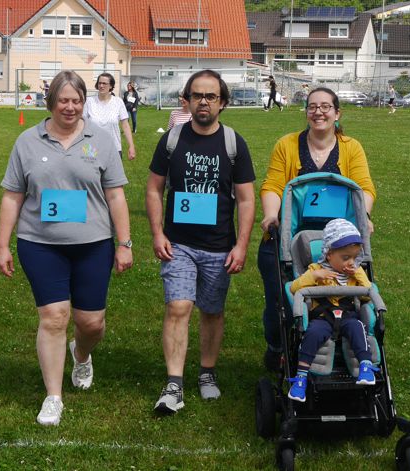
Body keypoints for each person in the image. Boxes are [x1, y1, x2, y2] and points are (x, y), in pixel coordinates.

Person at [0, 70, 134, 426]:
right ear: (50, 102)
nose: (70, 107)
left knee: (91, 323)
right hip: (40, 244)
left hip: (93, 244)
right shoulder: (27, 141)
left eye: (76, 100)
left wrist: (124, 243)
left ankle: (82, 355)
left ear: (83, 102)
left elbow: (116, 195)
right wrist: (3, 245)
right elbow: (12, 196)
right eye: (63, 100)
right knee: (54, 317)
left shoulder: (100, 140)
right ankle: (53, 397)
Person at [146, 70, 256, 415]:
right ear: (187, 100)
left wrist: (241, 245)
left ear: (222, 103)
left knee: (211, 311)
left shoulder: (234, 143)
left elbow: (246, 199)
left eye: (211, 96)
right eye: (197, 95)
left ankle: (207, 372)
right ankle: (174, 383)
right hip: (178, 244)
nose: (203, 102)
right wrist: (157, 233)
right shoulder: (172, 140)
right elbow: (154, 189)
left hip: (218, 246)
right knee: (178, 307)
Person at [257, 87, 377, 372]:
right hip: (289, 239)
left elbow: (363, 188)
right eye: (312, 107)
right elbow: (273, 185)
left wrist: (364, 217)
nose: (318, 112)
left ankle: (341, 350)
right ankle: (278, 348)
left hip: (339, 244)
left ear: (337, 113)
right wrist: (271, 215)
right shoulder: (287, 145)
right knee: (280, 302)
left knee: (345, 297)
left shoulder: (351, 147)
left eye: (325, 107)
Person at [286, 218, 379, 402]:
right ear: (329, 254)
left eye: (354, 257)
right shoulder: (315, 269)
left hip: (348, 316)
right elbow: (294, 288)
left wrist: (359, 274)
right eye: (346, 258)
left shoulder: (355, 273)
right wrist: (314, 276)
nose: (351, 262)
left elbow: (367, 295)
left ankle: (365, 366)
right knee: (312, 334)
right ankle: (301, 378)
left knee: (358, 328)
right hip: (322, 317)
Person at [84, 73, 136, 160]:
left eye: (104, 83)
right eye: (99, 83)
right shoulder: (89, 101)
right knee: (90, 169)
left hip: (114, 148)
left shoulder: (118, 102)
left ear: (111, 86)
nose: (101, 86)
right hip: (92, 149)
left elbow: (125, 125)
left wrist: (131, 146)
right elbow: (81, 125)